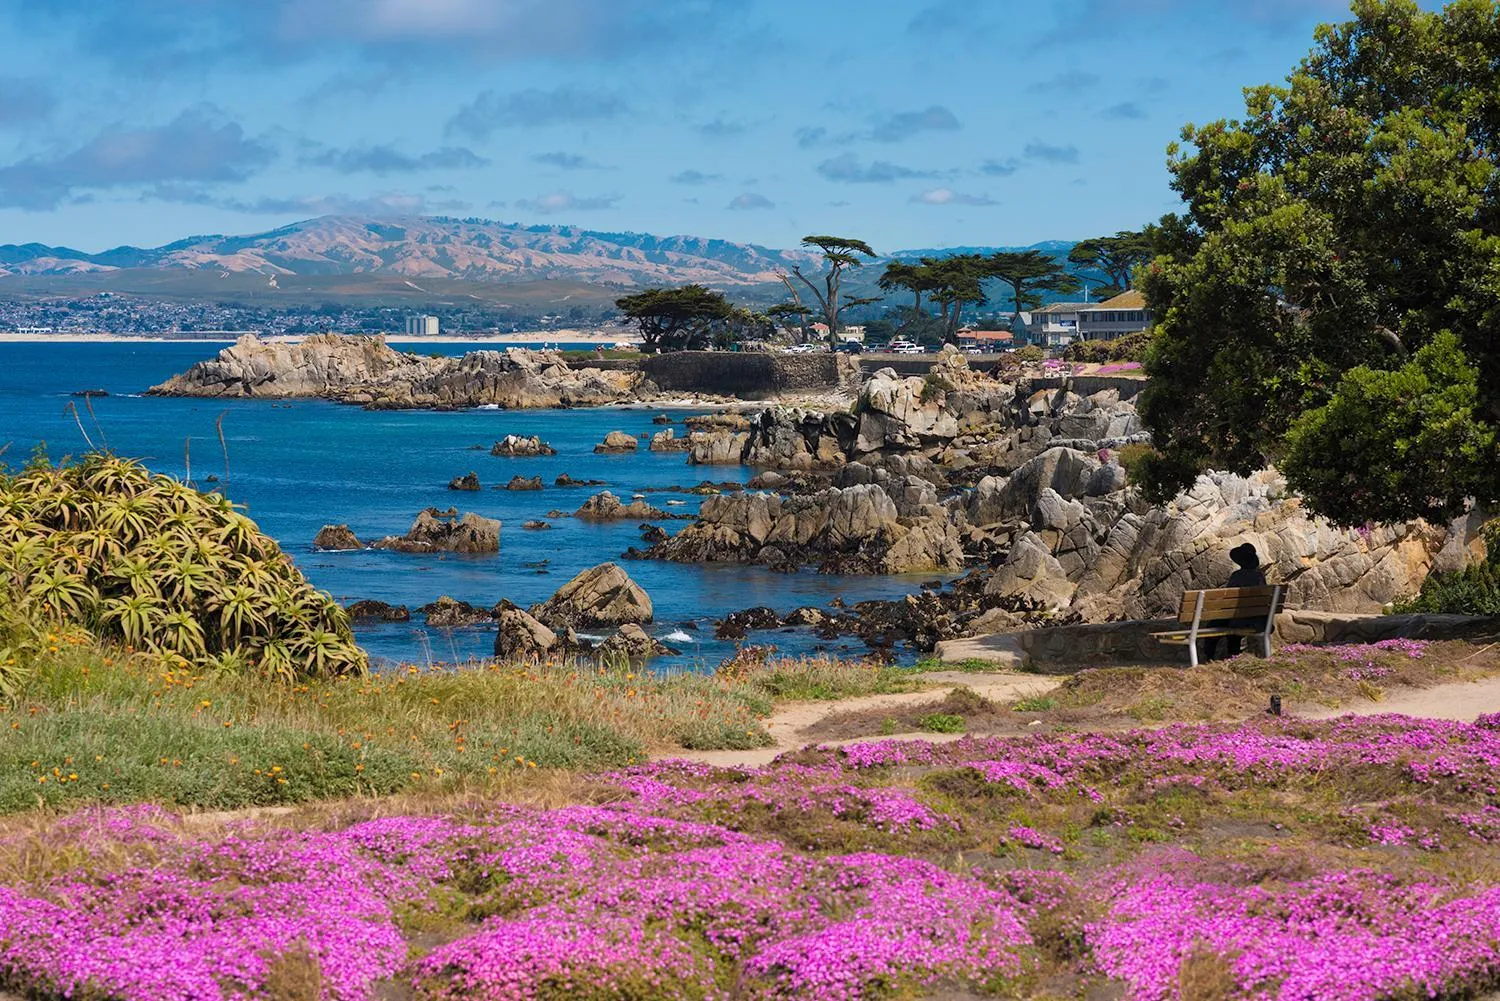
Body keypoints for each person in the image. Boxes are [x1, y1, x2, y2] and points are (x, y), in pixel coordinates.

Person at [1201, 543, 1268, 662]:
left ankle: (1209, 658)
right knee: (1234, 624)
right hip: (1258, 621)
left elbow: (1228, 602)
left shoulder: (1236, 576)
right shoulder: (1260, 576)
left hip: (1238, 621)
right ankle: (1233, 656)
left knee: (1213, 625)